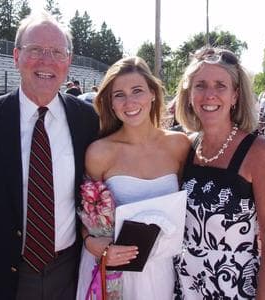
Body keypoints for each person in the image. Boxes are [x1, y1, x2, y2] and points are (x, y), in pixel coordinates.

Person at [0, 11, 99, 300]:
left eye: (57, 52)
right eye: (35, 49)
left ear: (68, 61)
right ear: (16, 56)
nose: (46, 61)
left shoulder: (87, 120)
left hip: (70, 272)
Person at [76, 56, 190, 300]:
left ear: (152, 94)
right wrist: (92, 244)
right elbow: (87, 220)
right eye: (119, 94)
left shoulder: (179, 145)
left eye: (137, 90)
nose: (129, 102)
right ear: (111, 102)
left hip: (163, 270)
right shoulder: (99, 152)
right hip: (115, 273)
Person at [173, 47, 265, 300]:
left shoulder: (258, 152)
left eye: (220, 85)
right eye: (200, 85)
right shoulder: (186, 147)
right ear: (189, 94)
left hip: (234, 289)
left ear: (235, 95)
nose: (209, 95)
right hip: (183, 285)